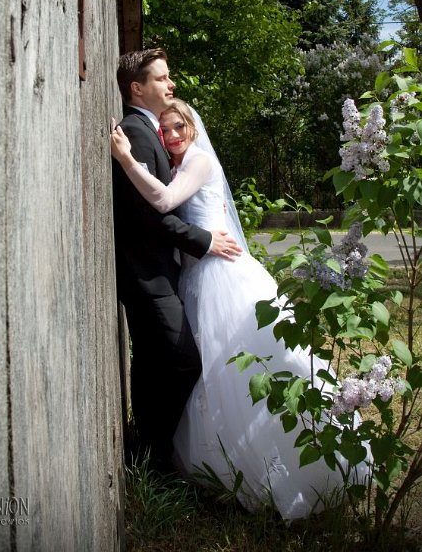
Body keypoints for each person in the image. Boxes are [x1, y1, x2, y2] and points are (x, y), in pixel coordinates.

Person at [111, 98, 368, 520]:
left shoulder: (198, 162)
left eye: (179, 127)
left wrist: (125, 159)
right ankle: (220, 459)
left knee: (239, 359)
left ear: (193, 128)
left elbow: (164, 201)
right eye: (166, 130)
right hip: (196, 276)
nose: (172, 136)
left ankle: (293, 460)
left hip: (221, 274)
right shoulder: (179, 163)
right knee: (210, 367)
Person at [112, 49, 242, 473]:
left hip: (163, 270)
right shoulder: (136, 132)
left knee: (155, 361)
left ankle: (148, 455)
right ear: (137, 88)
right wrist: (204, 241)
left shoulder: (153, 134)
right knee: (181, 359)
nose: (171, 85)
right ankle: (155, 457)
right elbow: (151, 214)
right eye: (162, 78)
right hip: (147, 273)